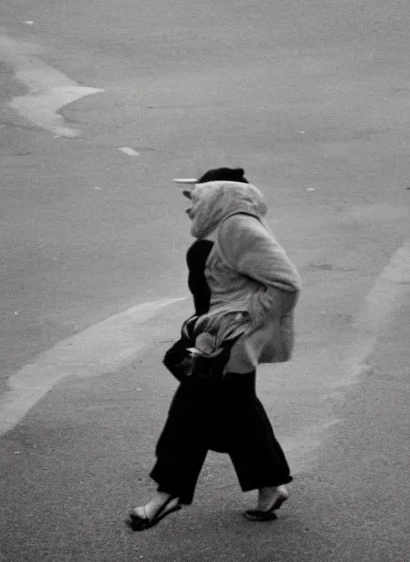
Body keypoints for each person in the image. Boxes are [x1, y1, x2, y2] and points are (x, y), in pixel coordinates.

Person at [127, 169, 301, 530]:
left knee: (189, 414)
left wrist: (242, 321)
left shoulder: (237, 227)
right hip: (215, 338)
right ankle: (270, 486)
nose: (189, 208)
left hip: (228, 343)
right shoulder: (223, 228)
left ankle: (168, 493)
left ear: (218, 196)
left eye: (195, 198)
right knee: (238, 412)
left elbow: (286, 282)